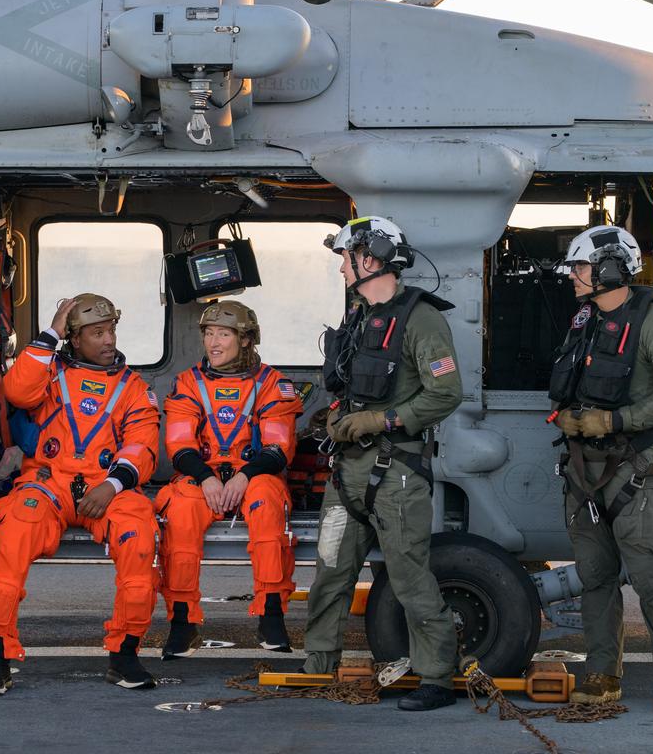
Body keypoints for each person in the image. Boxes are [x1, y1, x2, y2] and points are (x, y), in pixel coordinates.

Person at [304, 216, 462, 712]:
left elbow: (446, 394)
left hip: (396, 474)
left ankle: (436, 675)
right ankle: (318, 666)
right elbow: (346, 387)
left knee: (410, 577)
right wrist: (335, 416)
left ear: (367, 260)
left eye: (344, 259)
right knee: (330, 572)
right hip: (347, 474)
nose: (340, 270)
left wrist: (382, 419)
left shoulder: (421, 320)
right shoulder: (357, 317)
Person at [0, 294, 161, 694]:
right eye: (97, 333)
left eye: (111, 330)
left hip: (108, 485)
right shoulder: (49, 372)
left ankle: (124, 654)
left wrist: (111, 485)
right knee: (13, 535)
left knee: (140, 539)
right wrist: (49, 334)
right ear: (74, 339)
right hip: (48, 482)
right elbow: (17, 391)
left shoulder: (133, 388)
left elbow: (142, 446)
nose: (108, 340)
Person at [547, 224, 653, 713]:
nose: (574, 276)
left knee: (651, 576)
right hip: (582, 472)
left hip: (633, 471)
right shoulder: (583, 320)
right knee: (595, 578)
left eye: (582, 267)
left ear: (610, 268)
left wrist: (614, 419)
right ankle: (602, 672)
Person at [155, 300, 302, 659]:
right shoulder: (188, 383)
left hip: (254, 476)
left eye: (224, 334)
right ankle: (182, 622)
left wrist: (243, 476)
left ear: (247, 339)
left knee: (267, 502)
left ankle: (271, 615)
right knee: (180, 512)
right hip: (201, 477)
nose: (213, 343)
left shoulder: (271, 384)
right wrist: (206, 477)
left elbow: (278, 447)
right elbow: (179, 443)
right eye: (208, 333)